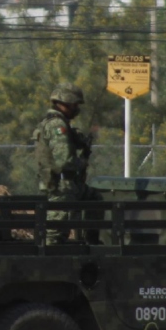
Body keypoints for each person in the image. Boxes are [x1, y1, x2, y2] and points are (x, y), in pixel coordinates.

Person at [34, 83, 102, 244]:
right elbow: (64, 160)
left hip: (68, 184)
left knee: (95, 199)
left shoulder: (59, 123)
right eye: (75, 104)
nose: (77, 109)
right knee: (56, 232)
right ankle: (49, 262)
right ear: (66, 103)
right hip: (61, 185)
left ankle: (89, 242)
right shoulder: (58, 125)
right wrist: (82, 162)